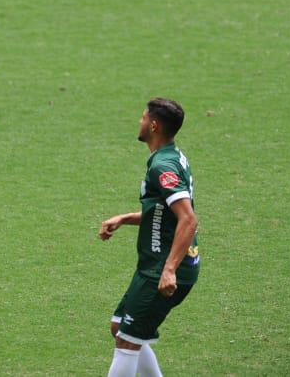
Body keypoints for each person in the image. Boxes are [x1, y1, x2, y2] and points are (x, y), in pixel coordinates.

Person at [98, 98, 200, 377]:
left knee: (127, 341)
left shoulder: (163, 167)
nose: (140, 121)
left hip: (163, 268)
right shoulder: (171, 157)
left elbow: (188, 219)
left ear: (153, 126)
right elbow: (163, 212)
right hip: (154, 265)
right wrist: (125, 218)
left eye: (143, 117)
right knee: (120, 327)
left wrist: (169, 270)